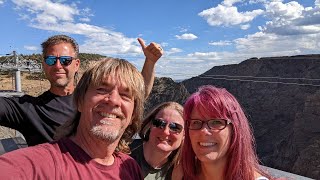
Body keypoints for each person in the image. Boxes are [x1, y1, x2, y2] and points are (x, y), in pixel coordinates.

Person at [0, 34, 163, 146]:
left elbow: (136, 96)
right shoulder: (27, 109)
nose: (58, 66)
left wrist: (150, 62)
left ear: (76, 64)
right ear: (44, 64)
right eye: (51, 60)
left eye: (65, 60)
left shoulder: (92, 98)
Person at [0, 58, 146, 179]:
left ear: (133, 114)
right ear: (80, 102)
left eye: (125, 95)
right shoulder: (39, 165)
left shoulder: (129, 168)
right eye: (101, 89)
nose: (113, 100)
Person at [174, 85, 272, 180]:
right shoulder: (181, 175)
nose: (204, 130)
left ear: (235, 129)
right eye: (195, 122)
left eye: (216, 122)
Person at [130, 102, 184, 180]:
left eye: (175, 127)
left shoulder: (182, 171)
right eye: (159, 123)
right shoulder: (123, 151)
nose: (165, 131)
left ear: (184, 134)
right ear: (150, 125)